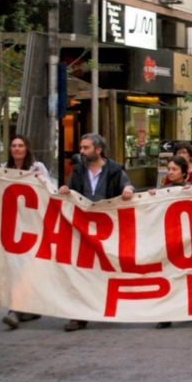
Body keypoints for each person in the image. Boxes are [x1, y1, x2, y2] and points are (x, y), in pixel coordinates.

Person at [58, 133, 135, 332]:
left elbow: (126, 185)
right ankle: (78, 315)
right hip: (82, 230)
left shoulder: (115, 170)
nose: (81, 151)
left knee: (107, 270)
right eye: (81, 147)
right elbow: (72, 192)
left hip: (107, 231)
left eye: (85, 148)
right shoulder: (77, 170)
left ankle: (110, 306)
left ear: (98, 150)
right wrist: (66, 190)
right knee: (81, 272)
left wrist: (128, 189)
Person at [0, 135, 50, 330]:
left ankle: (20, 308)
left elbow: (48, 190)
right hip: (12, 226)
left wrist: (40, 181)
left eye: (20, 145)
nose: (17, 149)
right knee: (15, 266)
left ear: (27, 148)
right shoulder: (3, 168)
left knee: (27, 266)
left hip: (31, 225)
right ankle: (18, 309)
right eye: (14, 146)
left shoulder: (37, 167)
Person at [151, 156, 191, 330]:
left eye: (174, 169)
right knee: (169, 276)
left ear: (183, 172)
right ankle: (167, 314)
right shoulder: (163, 190)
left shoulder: (191, 189)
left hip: (187, 240)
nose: (170, 172)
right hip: (168, 239)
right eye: (169, 169)